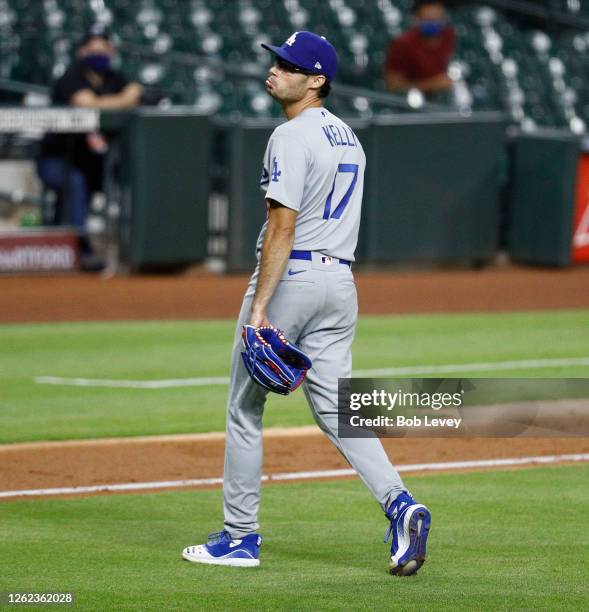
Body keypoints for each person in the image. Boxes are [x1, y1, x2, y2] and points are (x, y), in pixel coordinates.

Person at [182, 31, 431, 576]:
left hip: (292, 277)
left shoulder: (290, 135)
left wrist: (259, 309)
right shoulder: (349, 137)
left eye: (289, 65)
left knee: (245, 410)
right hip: (340, 284)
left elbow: (282, 225)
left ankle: (240, 537)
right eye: (276, 60)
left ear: (316, 80)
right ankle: (400, 505)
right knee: (341, 412)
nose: (275, 69)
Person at [36, 24, 142, 267]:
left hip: (91, 160)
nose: (99, 54)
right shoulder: (71, 77)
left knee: (124, 175)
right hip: (55, 158)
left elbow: (137, 92)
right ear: (81, 52)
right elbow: (87, 103)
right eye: (93, 49)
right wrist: (125, 99)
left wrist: (124, 97)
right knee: (75, 182)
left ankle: (128, 247)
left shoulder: (114, 77)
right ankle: (80, 248)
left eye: (104, 49)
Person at [385, 0, 455, 97]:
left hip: (446, 98)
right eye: (429, 20)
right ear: (417, 18)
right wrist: (432, 84)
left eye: (437, 19)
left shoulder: (449, 35)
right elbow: (394, 88)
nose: (433, 23)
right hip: (414, 103)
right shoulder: (402, 44)